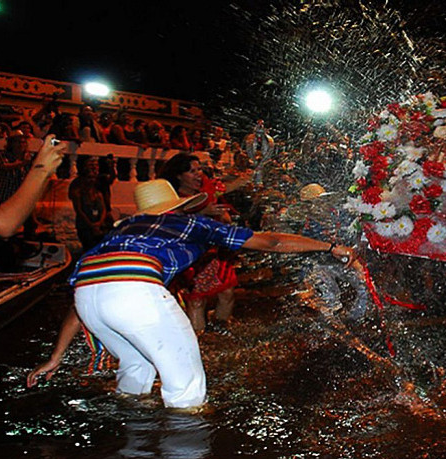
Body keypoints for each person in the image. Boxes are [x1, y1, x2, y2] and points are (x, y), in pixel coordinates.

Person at [28, 179, 355, 409]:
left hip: (89, 299)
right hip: (135, 292)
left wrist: (55, 357)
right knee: (186, 385)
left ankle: (129, 429)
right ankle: (186, 454)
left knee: (135, 366)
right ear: (180, 208)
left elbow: (86, 296)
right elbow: (270, 242)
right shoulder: (189, 224)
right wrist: (330, 246)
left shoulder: (120, 232)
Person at [159, 153, 236, 332]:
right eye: (192, 171)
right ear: (179, 175)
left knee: (227, 293)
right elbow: (172, 226)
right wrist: (203, 214)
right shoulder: (171, 198)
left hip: (213, 253)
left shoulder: (206, 194)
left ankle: (220, 337)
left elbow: (225, 221)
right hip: (188, 257)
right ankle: (200, 344)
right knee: (196, 300)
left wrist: (222, 217)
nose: (198, 174)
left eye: (199, 169)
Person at [69, 158, 109, 251]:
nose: (91, 180)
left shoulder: (98, 193)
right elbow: (79, 211)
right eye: (89, 178)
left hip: (98, 224)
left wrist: (99, 223)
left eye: (93, 178)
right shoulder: (78, 193)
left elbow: (103, 209)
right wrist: (91, 225)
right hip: (85, 225)